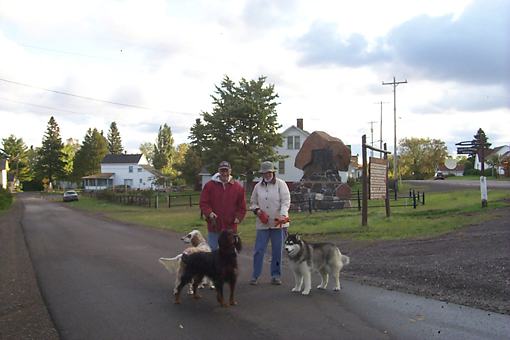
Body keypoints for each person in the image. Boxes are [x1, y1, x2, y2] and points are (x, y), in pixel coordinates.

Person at [249, 161, 291, 285]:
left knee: (277, 250)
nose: (267, 175)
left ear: (273, 172)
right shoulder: (257, 186)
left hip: (278, 223)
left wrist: (283, 214)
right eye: (264, 173)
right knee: (259, 250)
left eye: (269, 172)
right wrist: (257, 211)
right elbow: (253, 202)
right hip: (263, 224)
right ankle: (255, 275)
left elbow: (286, 201)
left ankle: (276, 275)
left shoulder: (281, 184)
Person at [199, 161, 247, 250]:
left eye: (226, 171)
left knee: (229, 253)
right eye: (222, 171)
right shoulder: (209, 186)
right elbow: (203, 202)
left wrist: (238, 217)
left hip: (230, 227)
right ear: (218, 171)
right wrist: (209, 213)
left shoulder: (238, 188)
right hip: (214, 225)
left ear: (230, 171)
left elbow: (242, 207)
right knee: (213, 252)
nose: (224, 173)